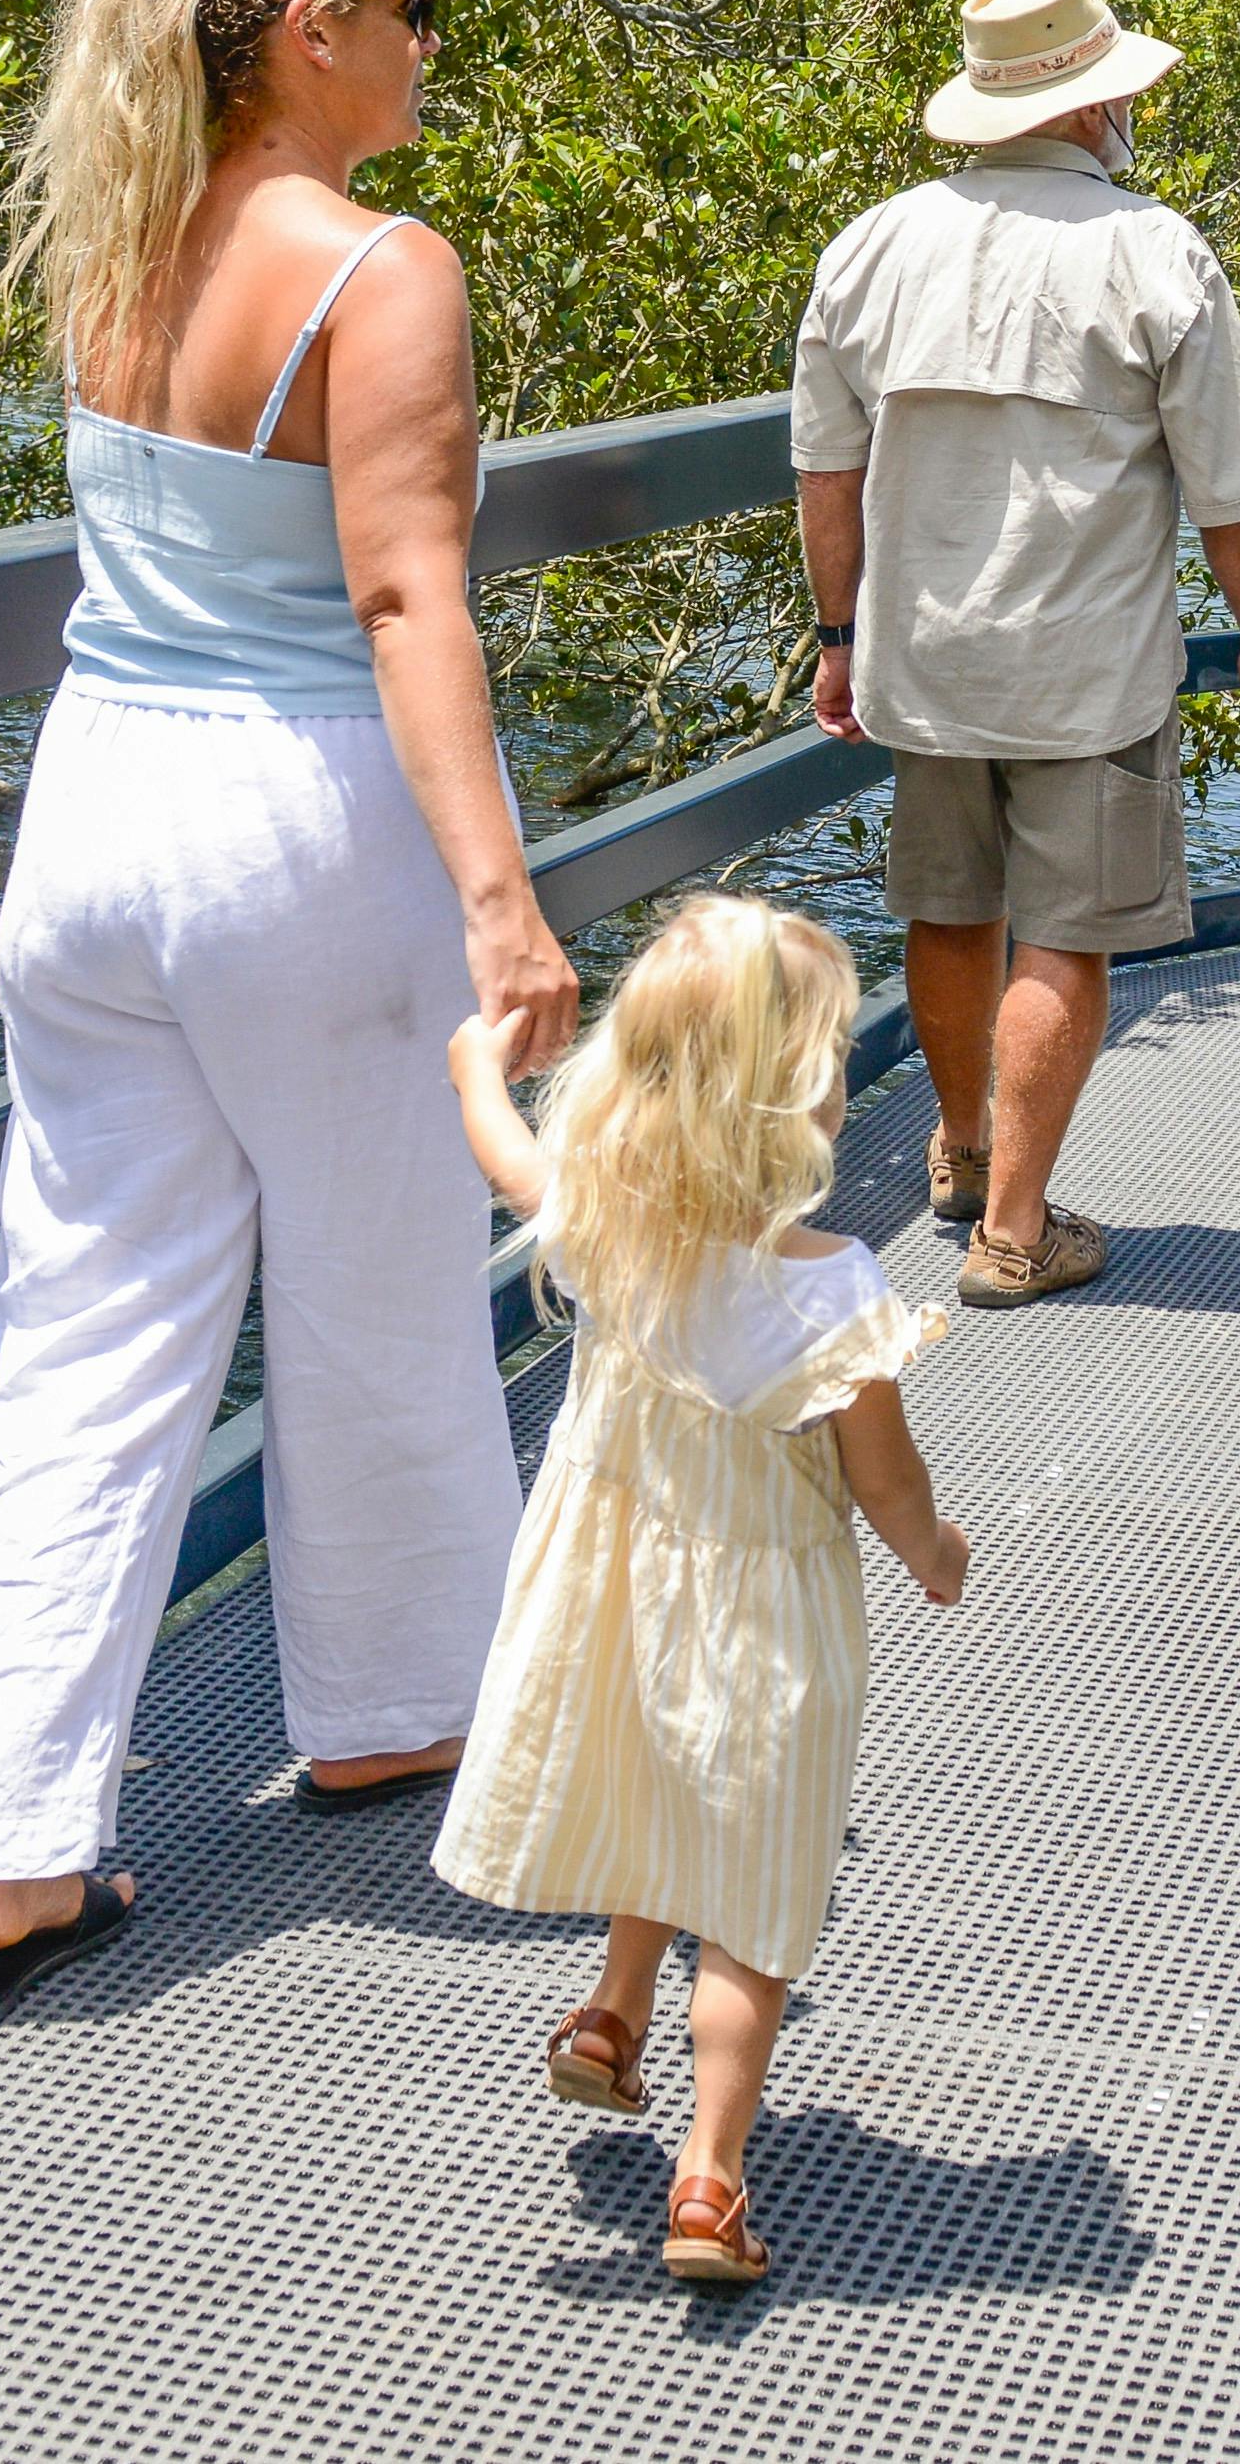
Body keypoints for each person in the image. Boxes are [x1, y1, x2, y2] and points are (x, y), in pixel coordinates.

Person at [0, 0, 588, 2040]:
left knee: (84, 1329)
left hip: (93, 814)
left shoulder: (111, 228)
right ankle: (409, 1716)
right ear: (308, 33)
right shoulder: (377, 269)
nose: (420, 45)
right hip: (295, 822)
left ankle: (11, 1845)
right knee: (384, 1297)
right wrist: (504, 900)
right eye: (404, 8)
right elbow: (409, 599)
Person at [437, 895, 965, 2292]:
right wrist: (935, 1553)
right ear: (794, 1089)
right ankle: (710, 2177)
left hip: (613, 1588)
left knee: (660, 1797)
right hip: (758, 1616)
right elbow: (884, 1479)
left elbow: (506, 1155)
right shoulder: (831, 1288)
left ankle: (609, 2020)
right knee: (748, 1885)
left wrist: (474, 1070)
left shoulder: (603, 1220)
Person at [793, 0, 1240, 1307]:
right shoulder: (1152, 249)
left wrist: (837, 634)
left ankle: (961, 1151)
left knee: (949, 909)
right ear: (1094, 107)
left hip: (921, 656)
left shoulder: (871, 243)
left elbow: (825, 471)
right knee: (1064, 939)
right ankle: (1013, 1229)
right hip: (1085, 667)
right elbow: (1229, 487)